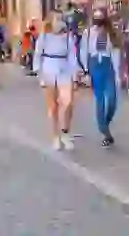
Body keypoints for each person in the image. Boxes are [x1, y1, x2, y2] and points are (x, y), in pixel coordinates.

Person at [34, 11, 81, 151]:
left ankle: (65, 131)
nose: (59, 22)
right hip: (49, 70)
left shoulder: (68, 38)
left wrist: (75, 74)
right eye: (57, 19)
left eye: (61, 19)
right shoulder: (44, 37)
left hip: (64, 70)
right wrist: (40, 74)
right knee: (53, 106)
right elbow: (37, 55)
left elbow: (72, 56)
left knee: (68, 103)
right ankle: (56, 136)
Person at [81, 6, 125, 147]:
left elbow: (116, 53)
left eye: (100, 17)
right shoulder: (88, 33)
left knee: (112, 99)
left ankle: (105, 123)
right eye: (95, 17)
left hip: (108, 65)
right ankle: (105, 132)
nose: (97, 20)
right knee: (100, 99)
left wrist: (118, 74)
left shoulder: (110, 33)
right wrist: (86, 71)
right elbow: (84, 52)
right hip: (95, 65)